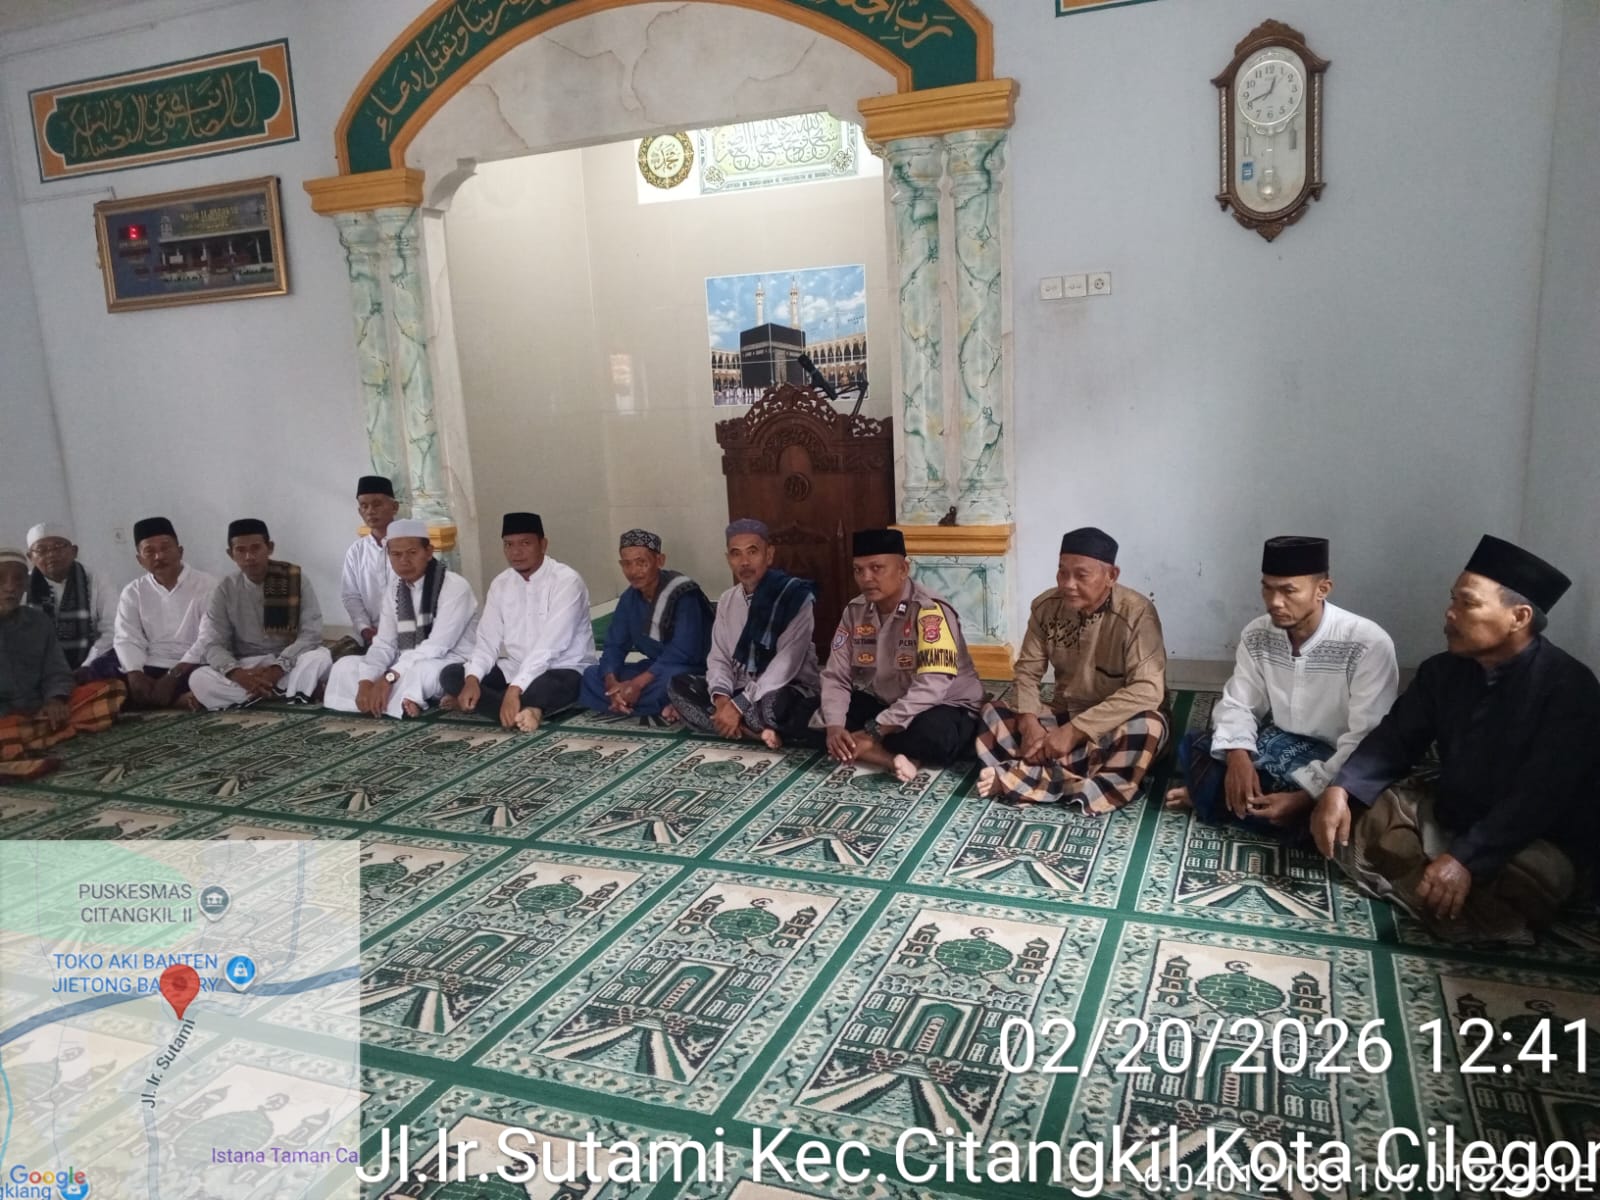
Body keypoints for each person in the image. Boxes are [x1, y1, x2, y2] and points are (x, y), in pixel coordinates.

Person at [1312, 535, 1600, 942]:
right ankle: (1446, 898)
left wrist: (1465, 858)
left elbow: (1540, 797)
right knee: (1354, 811)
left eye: (1468, 603)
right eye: (1453, 600)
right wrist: (1340, 789)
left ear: (1518, 617)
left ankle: (1430, 884)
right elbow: (1394, 740)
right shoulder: (1442, 672)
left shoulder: (1570, 689)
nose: (1450, 613)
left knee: (1531, 878)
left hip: (1532, 836)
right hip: (1452, 815)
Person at [1166, 536, 1398, 838]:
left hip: (1340, 757)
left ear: (1322, 589)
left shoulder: (1367, 643)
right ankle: (1245, 803)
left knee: (1358, 807)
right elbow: (1239, 703)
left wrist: (1306, 797)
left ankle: (1217, 799)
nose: (1274, 602)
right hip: (1279, 745)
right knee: (1198, 746)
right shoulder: (1257, 634)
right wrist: (1237, 756)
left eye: (1288, 590)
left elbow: (1368, 737)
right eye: (1267, 588)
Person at [976, 527, 1167, 812]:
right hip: (1065, 714)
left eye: (1081, 575)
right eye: (1062, 572)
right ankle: (1071, 779)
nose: (1067, 584)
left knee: (1148, 727)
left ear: (1111, 575)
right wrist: (1029, 724)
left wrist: (1076, 731)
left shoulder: (1137, 614)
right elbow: (1027, 671)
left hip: (1115, 723)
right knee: (993, 712)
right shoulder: (1046, 607)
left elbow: (1148, 691)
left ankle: (1023, 777)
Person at [820, 527, 983, 782]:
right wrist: (834, 727)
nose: (866, 578)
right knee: (819, 716)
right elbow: (836, 675)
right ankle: (890, 758)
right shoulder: (855, 611)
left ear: (903, 569)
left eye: (876, 568)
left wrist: (875, 730)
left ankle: (872, 746)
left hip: (942, 705)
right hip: (886, 702)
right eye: (858, 570)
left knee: (932, 736)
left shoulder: (929, 611)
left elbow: (932, 687)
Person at [665, 518, 821, 748]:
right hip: (739, 689)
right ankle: (753, 732)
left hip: (785, 688)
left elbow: (785, 665)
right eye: (736, 554)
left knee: (769, 708)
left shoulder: (794, 597)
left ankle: (739, 724)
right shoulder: (727, 600)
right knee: (678, 685)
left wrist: (739, 704)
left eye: (753, 551)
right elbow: (719, 657)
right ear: (728, 559)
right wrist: (722, 701)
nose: (744, 562)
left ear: (769, 555)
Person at [440, 512, 594, 732]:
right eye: (508, 544)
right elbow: (487, 641)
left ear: (543, 544)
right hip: (515, 667)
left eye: (525, 543)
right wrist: (472, 680)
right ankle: (527, 710)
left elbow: (550, 646)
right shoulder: (501, 584)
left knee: (557, 686)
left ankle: (502, 705)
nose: (516, 552)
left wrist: (514, 690)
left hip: (562, 667)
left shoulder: (566, 581)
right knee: (452, 675)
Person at [323, 519, 478, 719]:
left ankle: (393, 699)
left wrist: (389, 678)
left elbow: (437, 646)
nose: (404, 561)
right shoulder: (395, 589)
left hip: (446, 660)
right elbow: (384, 643)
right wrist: (366, 682)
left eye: (412, 553)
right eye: (396, 554)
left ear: (428, 552)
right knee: (345, 666)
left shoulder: (454, 586)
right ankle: (392, 701)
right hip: (403, 661)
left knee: (421, 672)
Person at [1, 548, 126, 779]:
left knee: (112, 689)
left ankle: (23, 742)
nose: (10, 587)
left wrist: (55, 699)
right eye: (1, 579)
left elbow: (56, 669)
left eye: (18, 580)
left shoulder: (38, 622)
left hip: (39, 708)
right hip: (4, 715)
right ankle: (29, 741)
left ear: (26, 585)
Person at [186, 519, 334, 710]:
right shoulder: (225, 589)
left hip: (288, 661)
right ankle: (284, 694)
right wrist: (237, 674)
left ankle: (254, 697)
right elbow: (214, 643)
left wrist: (278, 668)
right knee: (198, 678)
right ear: (231, 554)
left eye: (256, 548)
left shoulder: (293, 579)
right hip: (247, 665)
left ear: (269, 548)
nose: (249, 557)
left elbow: (311, 634)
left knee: (319, 658)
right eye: (241, 550)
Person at [578, 530, 712, 720]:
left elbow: (682, 651)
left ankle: (641, 700)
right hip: (655, 668)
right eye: (627, 564)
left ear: (660, 560)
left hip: (691, 668)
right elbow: (615, 645)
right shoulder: (629, 598)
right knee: (590, 675)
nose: (633, 571)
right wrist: (611, 683)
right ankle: (626, 699)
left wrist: (637, 684)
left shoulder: (683, 593)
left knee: (671, 684)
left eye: (641, 562)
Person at [101, 517, 218, 709]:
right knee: (101, 669)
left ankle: (159, 700)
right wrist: (135, 673)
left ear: (180, 551)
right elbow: (127, 637)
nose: (159, 556)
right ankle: (177, 700)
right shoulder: (133, 591)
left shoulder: (208, 585)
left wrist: (173, 676)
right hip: (151, 664)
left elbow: (209, 639)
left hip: (192, 665)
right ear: (140, 560)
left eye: (165, 548)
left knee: (211, 677)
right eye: (150, 551)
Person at [24, 522, 114, 675]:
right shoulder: (22, 585)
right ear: (30, 557)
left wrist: (88, 664)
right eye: (41, 550)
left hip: (90, 666)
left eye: (58, 546)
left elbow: (112, 628)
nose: (51, 554)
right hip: (37, 671)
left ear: (74, 551)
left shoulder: (97, 579)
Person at [340, 475, 400, 647]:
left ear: (394, 507)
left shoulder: (410, 548)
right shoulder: (356, 552)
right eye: (364, 506)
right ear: (359, 511)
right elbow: (351, 596)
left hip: (409, 633)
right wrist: (364, 628)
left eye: (377, 504)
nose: (370, 511)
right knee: (333, 658)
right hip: (370, 635)